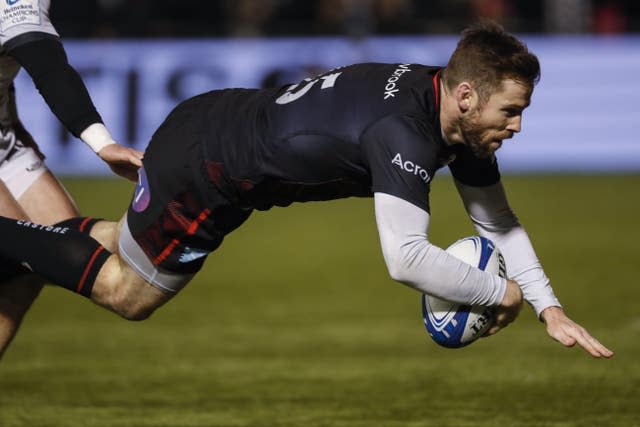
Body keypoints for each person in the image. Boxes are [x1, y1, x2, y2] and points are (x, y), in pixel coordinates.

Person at [0, 21, 613, 358]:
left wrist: (547, 306)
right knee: (128, 293)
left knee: (113, 244)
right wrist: (497, 292)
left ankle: (21, 244)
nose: (518, 126)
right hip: (209, 169)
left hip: (215, 128)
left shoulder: (452, 114)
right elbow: (405, 259)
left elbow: (497, 221)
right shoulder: (404, 131)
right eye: (510, 111)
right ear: (466, 96)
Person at [0, 0, 143, 359]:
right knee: (24, 252)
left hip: (4, 141)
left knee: (33, 265)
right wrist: (104, 144)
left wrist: (13, 119)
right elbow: (48, 69)